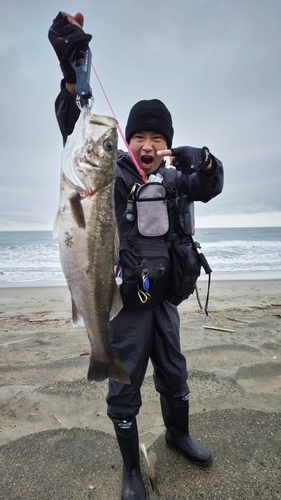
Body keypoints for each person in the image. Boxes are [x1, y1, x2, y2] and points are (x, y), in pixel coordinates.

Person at [49, 12, 224, 500]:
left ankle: (177, 434)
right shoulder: (111, 174)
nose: (148, 146)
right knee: (123, 388)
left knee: (175, 373)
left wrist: (205, 161)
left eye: (158, 139)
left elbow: (211, 184)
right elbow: (73, 127)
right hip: (124, 305)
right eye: (140, 137)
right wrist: (71, 71)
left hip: (165, 302)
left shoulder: (177, 179)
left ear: (167, 144)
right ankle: (130, 468)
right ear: (129, 140)